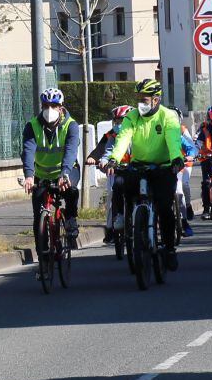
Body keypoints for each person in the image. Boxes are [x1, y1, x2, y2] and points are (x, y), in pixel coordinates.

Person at [105, 79, 184, 271]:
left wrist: (176, 158)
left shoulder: (168, 116)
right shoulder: (132, 117)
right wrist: (114, 158)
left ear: (156, 100)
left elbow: (173, 139)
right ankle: (133, 232)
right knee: (128, 193)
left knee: (165, 208)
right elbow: (123, 138)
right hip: (138, 166)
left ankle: (170, 248)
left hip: (163, 167)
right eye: (138, 98)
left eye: (145, 99)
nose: (140, 102)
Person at [22, 87, 82, 278]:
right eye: (46, 105)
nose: (50, 109)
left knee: (71, 190)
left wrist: (64, 174)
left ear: (61, 107)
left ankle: (71, 220)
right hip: (41, 175)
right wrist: (29, 176)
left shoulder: (70, 125)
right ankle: (43, 261)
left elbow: (71, 151)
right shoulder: (32, 126)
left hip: (66, 171)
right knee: (38, 217)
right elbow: (28, 151)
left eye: (54, 105)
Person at [86, 105, 132, 243]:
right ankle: (111, 229)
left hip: (135, 169)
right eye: (116, 121)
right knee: (113, 197)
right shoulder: (111, 135)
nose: (118, 124)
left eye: (121, 121)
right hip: (116, 170)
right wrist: (95, 158)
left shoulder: (137, 134)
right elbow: (102, 149)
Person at [171, 106, 199, 237]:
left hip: (180, 165)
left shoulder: (180, 131)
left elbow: (190, 146)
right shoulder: (156, 130)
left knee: (180, 191)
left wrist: (190, 155)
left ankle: (184, 219)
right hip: (161, 168)